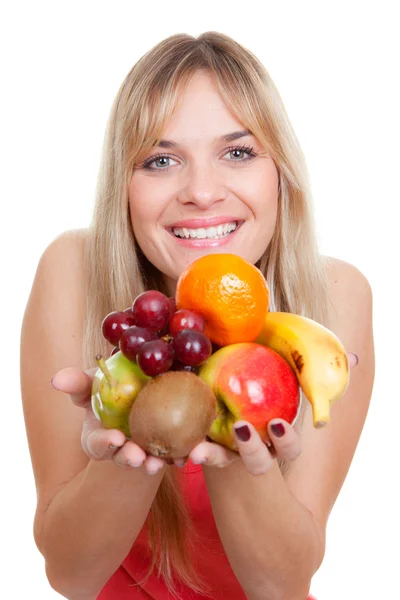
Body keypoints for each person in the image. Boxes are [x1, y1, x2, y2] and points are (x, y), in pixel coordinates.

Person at [20, 31, 374, 600]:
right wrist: (124, 451)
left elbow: (283, 586)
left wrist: (239, 451)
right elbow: (72, 576)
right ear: (125, 188)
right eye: (161, 160)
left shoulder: (334, 295)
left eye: (238, 152)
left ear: (279, 171)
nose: (202, 193)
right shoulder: (76, 270)